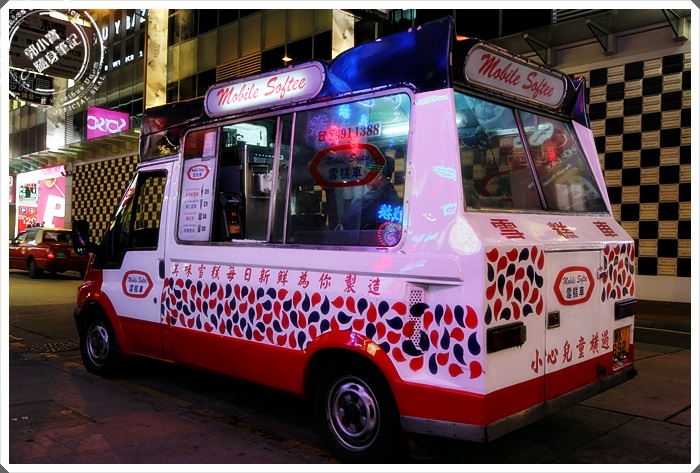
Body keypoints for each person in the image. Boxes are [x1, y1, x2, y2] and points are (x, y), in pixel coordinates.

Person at [341, 155, 401, 231]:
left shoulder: (372, 199)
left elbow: (346, 220)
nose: (365, 179)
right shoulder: (391, 192)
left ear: (379, 175)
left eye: (367, 174)